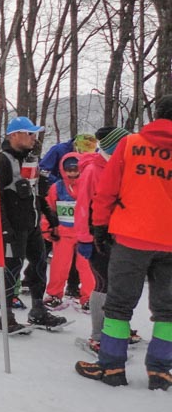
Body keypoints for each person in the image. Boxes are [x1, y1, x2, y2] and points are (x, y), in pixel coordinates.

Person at [77, 95, 172, 390]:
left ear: (155, 115)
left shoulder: (130, 144)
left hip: (131, 238)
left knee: (118, 306)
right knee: (168, 310)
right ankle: (160, 371)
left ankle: (112, 367)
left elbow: (107, 190)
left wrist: (100, 227)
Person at [0, 116, 65, 331]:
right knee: (12, 271)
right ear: (14, 135)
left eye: (35, 134)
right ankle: (6, 317)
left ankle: (38, 310)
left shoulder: (30, 159)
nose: (34, 138)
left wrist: (50, 217)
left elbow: (36, 192)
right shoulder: (1, 160)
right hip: (13, 227)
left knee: (38, 266)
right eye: (29, 134)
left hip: (33, 225)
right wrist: (4, 227)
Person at [74, 127, 132, 351]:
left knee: (118, 284)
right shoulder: (92, 170)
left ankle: (115, 327)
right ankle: (98, 335)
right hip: (97, 237)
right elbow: (82, 206)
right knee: (104, 283)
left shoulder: (119, 165)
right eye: (123, 142)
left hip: (118, 235)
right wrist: (85, 238)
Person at [42, 153, 94, 310]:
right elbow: (49, 208)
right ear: (63, 170)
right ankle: (54, 294)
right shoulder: (56, 187)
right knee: (59, 266)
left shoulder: (88, 185)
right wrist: (47, 228)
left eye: (75, 169)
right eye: (68, 170)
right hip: (63, 234)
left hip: (84, 233)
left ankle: (89, 297)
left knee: (87, 268)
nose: (72, 173)